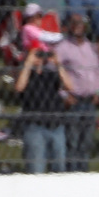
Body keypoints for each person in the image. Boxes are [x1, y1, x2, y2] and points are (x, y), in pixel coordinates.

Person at [56, 12, 99, 171]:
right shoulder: (62, 48)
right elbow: (55, 73)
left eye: (80, 22)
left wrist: (98, 91)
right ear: (68, 25)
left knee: (87, 141)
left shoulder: (91, 46)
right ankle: (72, 172)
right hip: (74, 100)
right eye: (74, 22)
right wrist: (64, 95)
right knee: (73, 141)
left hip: (90, 100)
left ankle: (83, 171)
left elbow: (98, 71)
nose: (77, 25)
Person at [16, 43, 73, 172]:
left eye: (41, 55)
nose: (40, 58)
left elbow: (69, 86)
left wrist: (58, 64)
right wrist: (29, 63)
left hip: (56, 125)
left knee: (59, 168)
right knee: (36, 168)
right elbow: (19, 87)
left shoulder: (51, 73)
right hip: (35, 126)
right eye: (37, 54)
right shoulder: (25, 73)